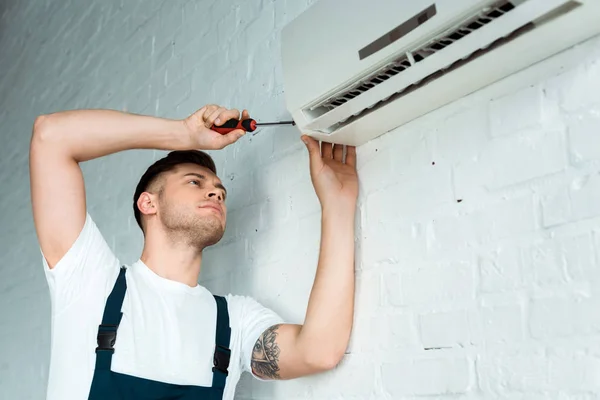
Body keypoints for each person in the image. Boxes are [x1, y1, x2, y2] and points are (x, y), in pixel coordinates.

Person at [29, 104, 358, 400]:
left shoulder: (233, 322)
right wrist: (184, 134)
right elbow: (51, 136)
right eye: (194, 182)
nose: (215, 192)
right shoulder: (91, 283)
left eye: (220, 191)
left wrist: (337, 205)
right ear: (149, 202)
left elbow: (318, 351)